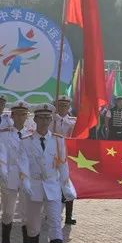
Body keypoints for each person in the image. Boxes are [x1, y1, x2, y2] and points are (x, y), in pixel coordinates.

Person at [22, 104, 77, 243]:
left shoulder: (58, 140)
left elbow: (63, 165)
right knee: (33, 226)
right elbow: (22, 165)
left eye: (48, 118)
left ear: (51, 119)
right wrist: (25, 183)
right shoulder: (26, 141)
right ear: (35, 119)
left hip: (52, 186)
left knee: (55, 222)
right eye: (41, 118)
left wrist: (66, 187)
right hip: (35, 186)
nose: (45, 121)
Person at [0, 101, 31, 243]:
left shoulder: (31, 134)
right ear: (12, 116)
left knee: (25, 213)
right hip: (10, 174)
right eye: (18, 114)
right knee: (8, 212)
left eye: (24, 114)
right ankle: (5, 240)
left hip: (26, 177)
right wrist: (3, 172)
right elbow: (1, 154)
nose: (21, 117)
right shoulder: (5, 133)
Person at [51, 95, 77, 225]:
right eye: (60, 105)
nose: (63, 108)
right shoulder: (51, 120)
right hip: (51, 157)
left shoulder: (73, 122)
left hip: (66, 158)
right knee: (51, 185)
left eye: (65, 106)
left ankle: (68, 216)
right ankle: (50, 213)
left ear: (68, 107)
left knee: (67, 187)